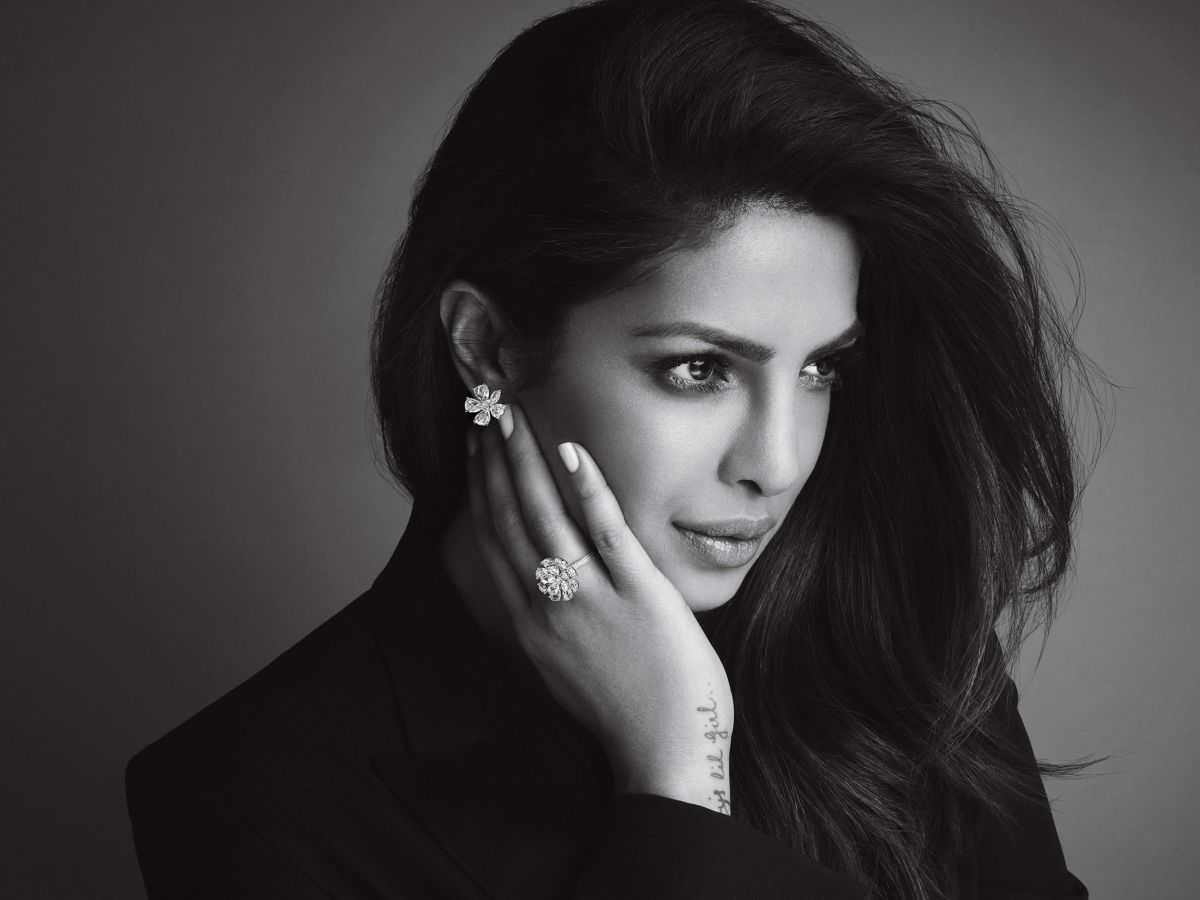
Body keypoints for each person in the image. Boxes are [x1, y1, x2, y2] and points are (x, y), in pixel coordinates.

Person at [125, 1, 1107, 897]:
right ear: (489, 347)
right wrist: (677, 783)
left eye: (821, 370)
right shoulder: (253, 794)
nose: (778, 463)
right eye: (700, 369)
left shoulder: (894, 646)